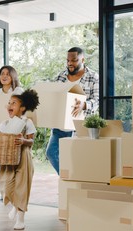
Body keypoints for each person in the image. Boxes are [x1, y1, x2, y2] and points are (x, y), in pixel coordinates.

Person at [0, 89, 40, 230]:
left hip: (23, 157)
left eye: (14, 103)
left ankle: (21, 217)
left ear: (22, 108)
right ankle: (15, 206)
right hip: (7, 159)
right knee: (5, 185)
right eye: (9, 102)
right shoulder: (5, 123)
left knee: (22, 187)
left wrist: (23, 140)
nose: (9, 105)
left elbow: (31, 141)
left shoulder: (27, 122)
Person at [45, 46, 99, 174]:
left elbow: (97, 100)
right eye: (68, 60)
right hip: (60, 126)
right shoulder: (61, 76)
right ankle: (66, 179)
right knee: (51, 153)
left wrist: (84, 105)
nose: (70, 63)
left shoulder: (93, 76)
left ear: (82, 59)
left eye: (74, 60)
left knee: (76, 159)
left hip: (80, 126)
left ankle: (74, 182)